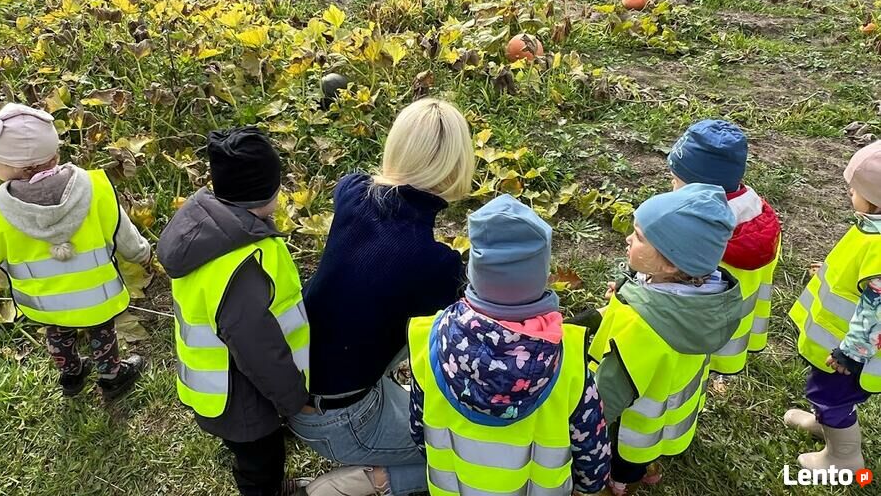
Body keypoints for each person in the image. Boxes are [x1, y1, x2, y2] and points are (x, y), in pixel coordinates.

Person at [297, 98, 475, 496]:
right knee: (472, 452)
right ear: (455, 168)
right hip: (343, 418)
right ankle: (361, 484)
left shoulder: (350, 192)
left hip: (298, 381)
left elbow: (363, 192)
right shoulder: (435, 264)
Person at [407, 194, 610, 495]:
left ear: (473, 272)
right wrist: (591, 487)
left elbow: (418, 427)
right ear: (541, 278)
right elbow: (590, 442)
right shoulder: (568, 361)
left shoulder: (429, 339)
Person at [157, 127, 310, 496]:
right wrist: (293, 400)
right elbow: (259, 351)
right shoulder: (242, 265)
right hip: (242, 398)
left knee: (253, 458)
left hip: (219, 386)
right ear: (268, 192)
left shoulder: (206, 229)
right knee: (261, 464)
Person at [0, 103, 149, 399]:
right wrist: (141, 255)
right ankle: (111, 376)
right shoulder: (96, 188)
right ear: (55, 154)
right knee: (102, 332)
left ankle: (71, 375)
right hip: (98, 295)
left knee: (57, 333)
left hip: (43, 301)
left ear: (8, 168)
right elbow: (124, 233)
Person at [588, 184, 742, 495]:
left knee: (624, 462)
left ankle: (619, 485)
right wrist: (628, 287)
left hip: (630, 429)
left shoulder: (641, 326)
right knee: (648, 448)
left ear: (671, 263)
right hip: (671, 410)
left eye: (640, 237)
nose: (628, 239)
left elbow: (607, 397)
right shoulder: (707, 299)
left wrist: (584, 425)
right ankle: (650, 465)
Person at [785, 140, 881, 471]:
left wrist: (851, 353)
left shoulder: (879, 247)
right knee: (825, 391)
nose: (849, 195)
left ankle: (845, 456)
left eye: (854, 189)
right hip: (840, 343)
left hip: (850, 353)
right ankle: (825, 423)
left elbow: (877, 310)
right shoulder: (872, 230)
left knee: (834, 396)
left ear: (874, 202)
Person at [667, 119, 781, 374]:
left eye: (676, 180)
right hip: (736, 326)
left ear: (701, 187)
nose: (671, 187)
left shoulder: (696, 227)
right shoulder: (758, 212)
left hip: (694, 333)